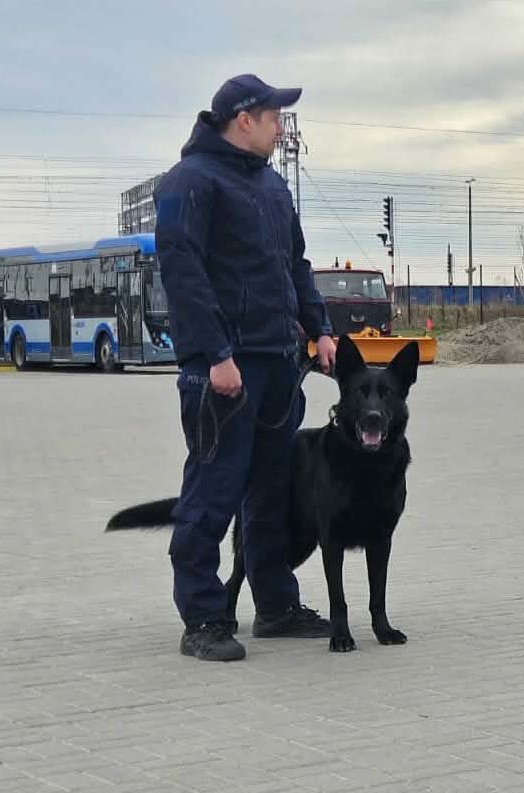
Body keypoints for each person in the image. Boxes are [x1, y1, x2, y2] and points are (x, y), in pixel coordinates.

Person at [154, 74, 338, 661]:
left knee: (271, 492)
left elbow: (295, 263)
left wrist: (319, 328)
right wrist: (215, 355)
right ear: (243, 120)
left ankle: (276, 607)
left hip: (279, 364)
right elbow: (184, 275)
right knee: (213, 490)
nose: (281, 129)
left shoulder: (271, 186)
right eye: (274, 118)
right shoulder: (189, 182)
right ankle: (203, 617)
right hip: (224, 370)